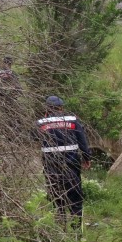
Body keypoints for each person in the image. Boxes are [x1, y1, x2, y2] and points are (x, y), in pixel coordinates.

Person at [36, 95, 91, 229]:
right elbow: (82, 142)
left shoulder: (41, 123)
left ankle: (61, 230)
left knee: (57, 198)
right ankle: (77, 232)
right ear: (61, 108)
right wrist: (86, 158)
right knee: (75, 198)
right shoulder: (72, 121)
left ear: (47, 109)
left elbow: (34, 138)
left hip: (51, 167)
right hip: (72, 166)